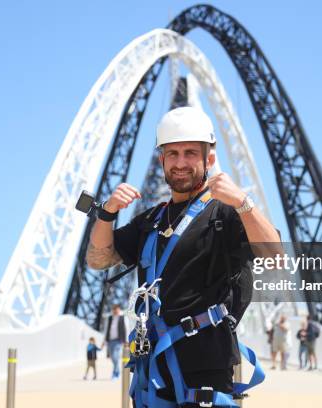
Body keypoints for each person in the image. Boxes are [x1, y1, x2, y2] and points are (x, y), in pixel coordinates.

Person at [86, 106, 280, 407]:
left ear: (210, 159)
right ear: (162, 160)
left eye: (191, 153)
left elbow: (276, 258)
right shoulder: (150, 220)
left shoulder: (225, 213)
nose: (180, 163)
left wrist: (243, 203)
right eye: (172, 154)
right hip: (152, 368)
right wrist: (107, 213)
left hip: (207, 365)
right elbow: (98, 260)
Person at [103, 304, 127, 379]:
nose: (115, 311)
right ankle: (117, 371)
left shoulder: (123, 317)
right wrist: (104, 340)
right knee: (112, 357)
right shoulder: (109, 318)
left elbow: (126, 328)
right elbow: (106, 329)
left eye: (116, 309)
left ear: (119, 309)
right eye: (114, 309)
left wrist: (126, 340)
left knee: (115, 356)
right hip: (110, 340)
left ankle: (116, 373)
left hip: (118, 340)